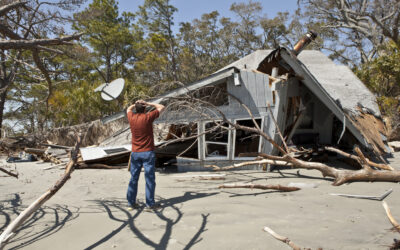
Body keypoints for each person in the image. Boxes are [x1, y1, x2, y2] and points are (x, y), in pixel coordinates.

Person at [126, 99, 165, 211]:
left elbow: (128, 109)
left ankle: (131, 203)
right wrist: (148, 103)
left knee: (134, 178)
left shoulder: (131, 117)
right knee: (149, 179)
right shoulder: (148, 117)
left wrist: (136, 104)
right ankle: (150, 204)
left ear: (136, 108)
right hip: (148, 152)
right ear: (145, 108)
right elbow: (161, 107)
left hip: (135, 153)